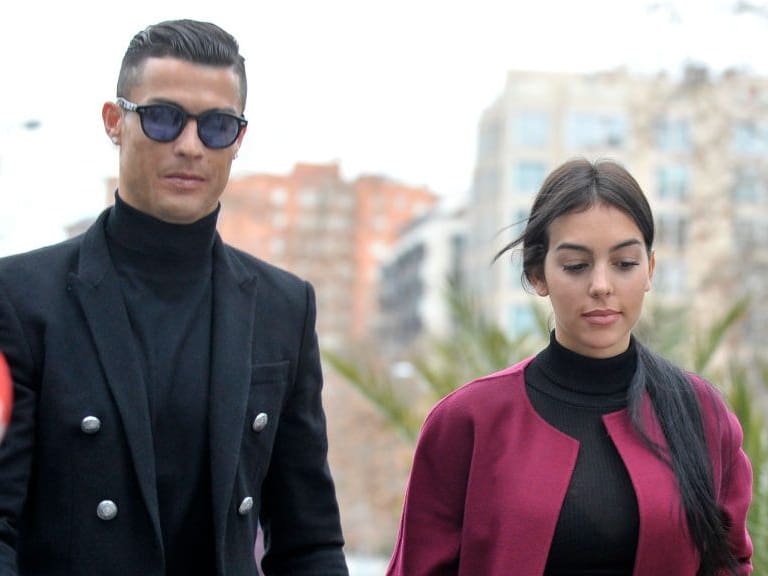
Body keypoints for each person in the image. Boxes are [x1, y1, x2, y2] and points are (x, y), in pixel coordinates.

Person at [0, 19, 348, 576]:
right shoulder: (19, 299)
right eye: (162, 119)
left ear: (237, 139)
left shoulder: (284, 307)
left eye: (216, 126)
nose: (189, 146)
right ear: (116, 122)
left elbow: (309, 542)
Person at [386, 158, 753, 575]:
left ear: (650, 270)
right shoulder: (467, 420)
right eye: (576, 265)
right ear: (537, 274)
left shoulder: (700, 413)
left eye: (625, 263)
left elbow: (731, 562)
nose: (601, 285)